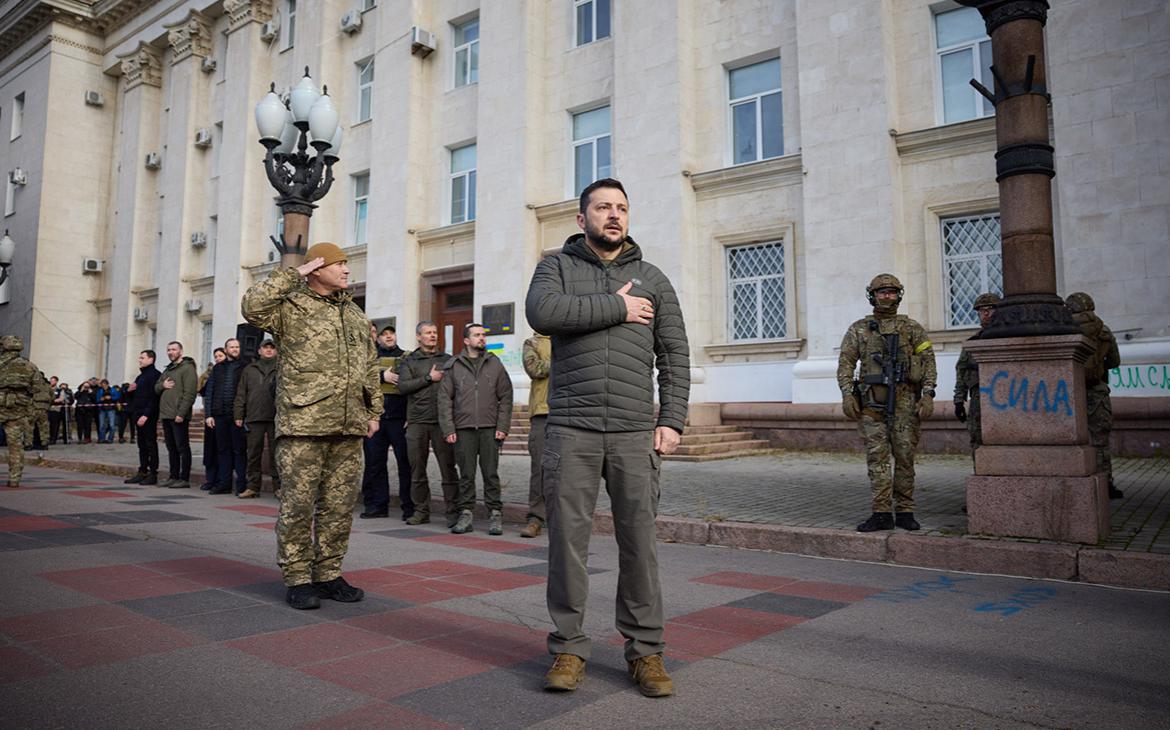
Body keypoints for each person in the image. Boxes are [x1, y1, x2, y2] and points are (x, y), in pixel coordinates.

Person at [526, 178, 690, 698]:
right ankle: (569, 648)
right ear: (582, 218)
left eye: (621, 208)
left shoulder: (654, 279)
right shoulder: (555, 266)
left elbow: (676, 354)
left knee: (639, 544)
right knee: (567, 546)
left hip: (633, 430)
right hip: (571, 428)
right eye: (602, 208)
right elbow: (542, 314)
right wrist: (616, 308)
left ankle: (646, 652)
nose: (613, 216)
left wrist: (673, 420)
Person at [242, 241, 382, 611]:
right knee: (298, 506)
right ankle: (298, 578)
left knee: (339, 507)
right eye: (339, 264)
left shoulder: (353, 314)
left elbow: (370, 365)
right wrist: (292, 275)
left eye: (347, 264)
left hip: (349, 424)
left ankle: (328, 573)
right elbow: (252, 306)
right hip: (304, 423)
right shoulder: (290, 306)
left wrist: (374, 411)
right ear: (317, 269)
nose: (347, 270)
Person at [837, 273, 937, 534]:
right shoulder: (859, 329)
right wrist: (848, 393)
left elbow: (928, 362)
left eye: (892, 292)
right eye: (882, 292)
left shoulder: (912, 328)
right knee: (877, 458)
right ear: (872, 295)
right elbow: (846, 362)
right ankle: (881, 513)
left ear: (899, 295)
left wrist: (927, 394)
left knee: (905, 457)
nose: (887, 296)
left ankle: (905, 511)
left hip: (905, 401)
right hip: (871, 402)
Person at [438, 323, 513, 535]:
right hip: (463, 429)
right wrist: (448, 428)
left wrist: (503, 426)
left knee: (491, 474)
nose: (482, 338)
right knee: (466, 475)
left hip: (490, 428)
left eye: (483, 335)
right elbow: (444, 399)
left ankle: (495, 514)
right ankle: (466, 514)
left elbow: (506, 396)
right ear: (466, 341)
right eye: (477, 335)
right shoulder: (453, 366)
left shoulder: (495, 364)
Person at [397, 322, 460, 527]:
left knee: (448, 470)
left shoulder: (448, 360)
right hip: (417, 421)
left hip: (442, 422)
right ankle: (421, 511)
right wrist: (428, 378)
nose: (432, 336)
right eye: (428, 333)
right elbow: (403, 387)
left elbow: (457, 389)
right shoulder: (409, 361)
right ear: (418, 337)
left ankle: (453, 512)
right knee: (417, 470)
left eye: (434, 332)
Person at [1066, 292, 1124, 500]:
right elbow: (1115, 362)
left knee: (1072, 440)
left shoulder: (1066, 330)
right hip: (1097, 392)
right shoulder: (1103, 331)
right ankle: (1105, 483)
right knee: (1099, 441)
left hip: (1071, 393)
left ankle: (1077, 481)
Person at [360, 325, 413, 520]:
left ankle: (409, 507)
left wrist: (411, 415)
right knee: (375, 463)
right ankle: (378, 505)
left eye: (391, 333)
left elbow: (413, 384)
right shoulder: (369, 358)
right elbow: (360, 379)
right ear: (378, 339)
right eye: (384, 334)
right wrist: (383, 376)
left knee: (405, 464)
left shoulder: (407, 357)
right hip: (376, 418)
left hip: (399, 419)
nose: (388, 336)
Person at [953, 293, 1000, 458]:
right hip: (978, 396)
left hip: (1004, 397)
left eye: (990, 310)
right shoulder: (972, 343)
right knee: (977, 435)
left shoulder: (1007, 338)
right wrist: (959, 400)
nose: (986, 314)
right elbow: (962, 371)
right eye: (981, 311)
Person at [233, 339, 280, 499]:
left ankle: (278, 487)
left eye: (271, 348)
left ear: (276, 351)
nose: (268, 350)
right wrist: (238, 414)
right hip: (254, 416)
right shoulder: (250, 369)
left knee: (277, 454)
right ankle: (252, 487)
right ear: (259, 351)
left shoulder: (282, 367)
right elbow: (241, 393)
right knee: (253, 454)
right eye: (265, 348)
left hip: (276, 417)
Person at [204, 339, 247, 495]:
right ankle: (224, 483)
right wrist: (208, 414)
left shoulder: (245, 367)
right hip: (219, 415)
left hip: (237, 416)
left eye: (237, 347)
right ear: (226, 349)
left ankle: (242, 484)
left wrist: (242, 414)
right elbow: (209, 392)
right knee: (223, 450)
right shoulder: (217, 368)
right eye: (232, 347)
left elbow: (246, 392)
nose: (235, 349)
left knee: (239, 451)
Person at [521, 331, 551, 538]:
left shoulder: (569, 337)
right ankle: (536, 518)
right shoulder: (532, 342)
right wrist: (563, 361)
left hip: (570, 411)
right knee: (539, 468)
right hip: (542, 412)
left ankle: (565, 517)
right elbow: (535, 368)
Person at [156, 341, 198, 488]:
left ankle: (184, 478)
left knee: (182, 447)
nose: (170, 352)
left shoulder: (188, 369)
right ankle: (173, 476)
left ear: (181, 351)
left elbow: (190, 393)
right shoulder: (167, 370)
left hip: (178, 415)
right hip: (166, 415)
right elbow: (156, 388)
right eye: (168, 350)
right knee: (171, 447)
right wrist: (163, 385)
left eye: (173, 349)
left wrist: (181, 413)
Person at [0, 335, 39, 487]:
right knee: (15, 445)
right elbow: (37, 388)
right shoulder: (29, 366)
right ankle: (14, 479)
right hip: (17, 408)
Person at [123, 350, 161, 485]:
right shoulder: (140, 377)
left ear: (151, 359)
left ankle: (153, 473)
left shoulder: (155, 375)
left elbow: (154, 398)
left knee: (151, 444)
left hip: (148, 415)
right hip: (137, 414)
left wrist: (146, 415)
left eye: (142, 358)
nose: (139, 360)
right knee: (142, 445)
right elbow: (133, 397)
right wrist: (129, 391)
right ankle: (142, 471)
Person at [198, 348, 226, 490]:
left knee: (221, 449)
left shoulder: (227, 372)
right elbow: (203, 391)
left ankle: (220, 479)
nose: (217, 358)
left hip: (222, 414)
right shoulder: (212, 373)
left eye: (220, 356)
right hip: (210, 415)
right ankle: (210, 479)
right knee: (209, 449)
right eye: (215, 356)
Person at [28, 371, 52, 450]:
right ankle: (44, 443)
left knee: (30, 426)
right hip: (44, 409)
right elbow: (52, 397)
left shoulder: (32, 384)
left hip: (33, 407)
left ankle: (29, 444)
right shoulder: (47, 385)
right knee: (44, 427)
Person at [49, 379, 72, 445]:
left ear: (56, 382)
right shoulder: (49, 389)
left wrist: (52, 401)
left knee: (61, 425)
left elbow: (61, 399)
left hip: (58, 409)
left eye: (53, 381)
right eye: (51, 380)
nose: (51, 382)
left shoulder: (59, 390)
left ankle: (65, 439)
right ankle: (52, 439)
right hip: (50, 409)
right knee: (52, 426)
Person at [95, 378, 117, 443]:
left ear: (107, 384)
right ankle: (102, 439)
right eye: (102, 384)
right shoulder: (100, 391)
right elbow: (97, 399)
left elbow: (118, 397)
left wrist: (111, 397)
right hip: (102, 409)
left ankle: (110, 439)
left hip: (111, 409)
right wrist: (101, 399)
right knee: (101, 425)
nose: (103, 386)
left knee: (112, 425)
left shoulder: (113, 390)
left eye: (105, 384)